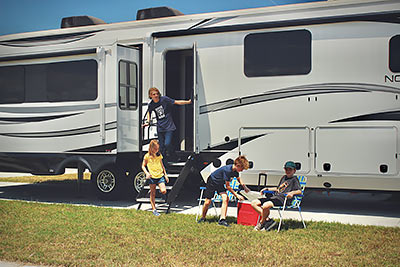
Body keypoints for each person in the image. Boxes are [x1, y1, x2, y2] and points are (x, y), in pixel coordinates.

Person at [197, 155, 251, 227]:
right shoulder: (227, 170)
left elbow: (239, 179)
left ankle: (222, 220)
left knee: (225, 198)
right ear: (238, 165)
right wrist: (236, 195)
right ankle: (203, 218)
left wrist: (245, 187)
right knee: (207, 202)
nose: (242, 170)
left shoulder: (235, 171)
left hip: (219, 183)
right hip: (212, 181)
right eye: (242, 168)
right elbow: (228, 186)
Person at [251, 161, 302, 231]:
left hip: (283, 199)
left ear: (294, 170)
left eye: (290, 169)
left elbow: (299, 191)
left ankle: (261, 223)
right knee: (254, 203)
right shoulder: (284, 177)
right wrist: (268, 188)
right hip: (274, 197)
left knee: (265, 206)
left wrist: (292, 193)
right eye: (286, 169)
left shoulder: (294, 179)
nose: (288, 171)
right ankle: (268, 220)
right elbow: (278, 189)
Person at [144, 87, 191, 161]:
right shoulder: (151, 104)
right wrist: (148, 121)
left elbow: (176, 102)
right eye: (154, 94)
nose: (156, 95)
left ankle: (173, 156)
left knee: (167, 143)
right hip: (160, 128)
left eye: (157, 94)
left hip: (169, 126)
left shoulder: (164, 99)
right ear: (150, 96)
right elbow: (149, 112)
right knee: (161, 147)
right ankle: (164, 162)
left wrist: (188, 102)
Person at [141, 139, 169, 216]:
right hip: (152, 176)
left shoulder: (159, 155)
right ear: (151, 148)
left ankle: (160, 191)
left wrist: (165, 174)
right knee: (153, 193)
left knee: (163, 191)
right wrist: (147, 173)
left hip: (160, 175)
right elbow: (143, 166)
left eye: (158, 149)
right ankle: (154, 209)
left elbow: (162, 165)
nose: (157, 150)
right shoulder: (147, 156)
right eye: (155, 149)